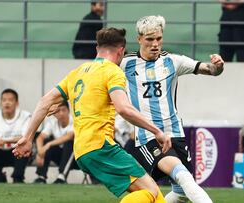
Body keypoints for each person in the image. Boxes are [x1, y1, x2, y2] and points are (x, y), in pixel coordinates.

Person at [13, 27, 171, 203]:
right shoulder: (112, 71)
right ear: (120, 51)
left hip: (81, 151)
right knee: (152, 191)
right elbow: (123, 108)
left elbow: (44, 102)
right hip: (101, 146)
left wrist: (27, 138)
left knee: (153, 195)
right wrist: (156, 131)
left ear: (97, 48)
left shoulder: (77, 72)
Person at [120, 15, 224, 203]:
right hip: (149, 136)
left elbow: (210, 70)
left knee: (181, 192)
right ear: (139, 39)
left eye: (158, 39)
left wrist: (218, 66)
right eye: (149, 39)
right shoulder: (125, 64)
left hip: (175, 132)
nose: (155, 44)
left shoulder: (173, 61)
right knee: (184, 177)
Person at [33, 101, 77, 184]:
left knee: (69, 143)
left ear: (68, 111)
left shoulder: (75, 121)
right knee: (46, 142)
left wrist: (49, 145)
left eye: (63, 110)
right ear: (54, 113)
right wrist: (40, 152)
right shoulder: (52, 122)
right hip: (60, 157)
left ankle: (61, 176)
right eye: (58, 111)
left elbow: (69, 136)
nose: (61, 113)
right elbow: (40, 138)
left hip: (75, 159)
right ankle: (41, 176)